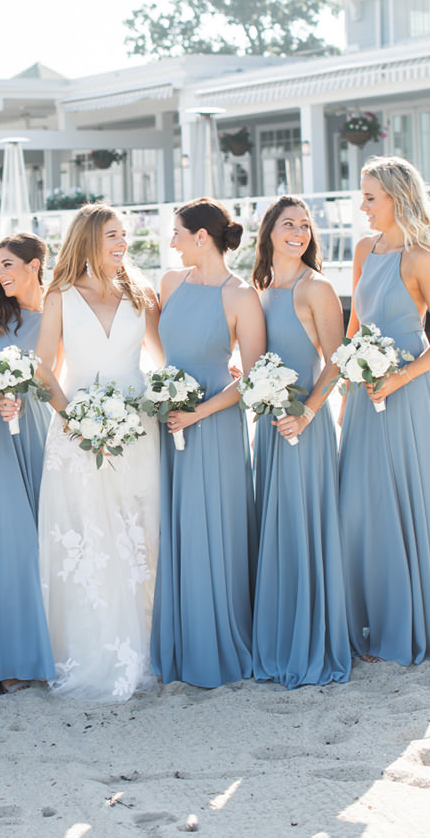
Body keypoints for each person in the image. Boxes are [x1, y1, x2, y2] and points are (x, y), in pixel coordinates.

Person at [339, 156, 430, 665]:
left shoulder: (422, 258)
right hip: (362, 395)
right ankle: (372, 620)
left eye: (370, 197)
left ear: (397, 198)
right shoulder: (363, 249)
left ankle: (417, 624)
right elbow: (353, 328)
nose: (363, 206)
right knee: (360, 503)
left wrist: (399, 376)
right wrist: (344, 392)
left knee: (411, 502)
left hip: (412, 393)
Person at [35, 204, 164, 700]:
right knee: (89, 536)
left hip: (138, 429)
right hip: (78, 433)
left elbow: (162, 357)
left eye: (125, 235)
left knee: (138, 532)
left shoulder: (140, 291)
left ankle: (147, 645)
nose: (122, 243)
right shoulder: (61, 297)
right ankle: (89, 649)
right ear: (89, 240)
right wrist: (77, 421)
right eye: (113, 235)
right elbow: (44, 369)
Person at [150, 198, 265, 689]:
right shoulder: (170, 283)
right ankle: (181, 638)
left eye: (176, 232)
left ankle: (217, 638)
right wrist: (166, 389)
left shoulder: (241, 295)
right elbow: (161, 344)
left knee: (213, 525)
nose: (170, 242)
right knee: (176, 525)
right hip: (170, 417)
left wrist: (199, 409)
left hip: (214, 423)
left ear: (202, 237)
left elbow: (258, 375)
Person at [250, 196, 351, 688]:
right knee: (274, 525)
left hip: (303, 427)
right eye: (289, 223)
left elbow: (337, 361)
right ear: (269, 231)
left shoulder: (318, 287)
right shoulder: (262, 288)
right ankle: (275, 633)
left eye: (306, 225)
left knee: (301, 526)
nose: (299, 232)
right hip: (268, 427)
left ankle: (308, 637)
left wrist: (307, 415)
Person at [0, 234, 55, 694]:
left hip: (42, 427)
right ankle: (11, 659)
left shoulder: (56, 312)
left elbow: (67, 372)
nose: (0, 275)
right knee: (9, 540)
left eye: (9, 266)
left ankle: (49, 648)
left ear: (35, 265)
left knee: (46, 535)